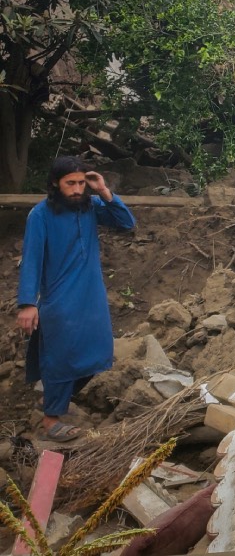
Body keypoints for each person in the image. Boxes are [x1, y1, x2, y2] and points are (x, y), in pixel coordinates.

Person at [16, 156, 136, 442]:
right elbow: (31, 260)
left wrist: (104, 191)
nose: (77, 189)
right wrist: (28, 304)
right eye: (71, 183)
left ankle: (53, 400)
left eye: (82, 183)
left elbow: (126, 223)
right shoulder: (40, 215)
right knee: (61, 357)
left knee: (99, 352)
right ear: (55, 184)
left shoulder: (91, 207)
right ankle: (50, 418)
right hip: (59, 298)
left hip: (91, 295)